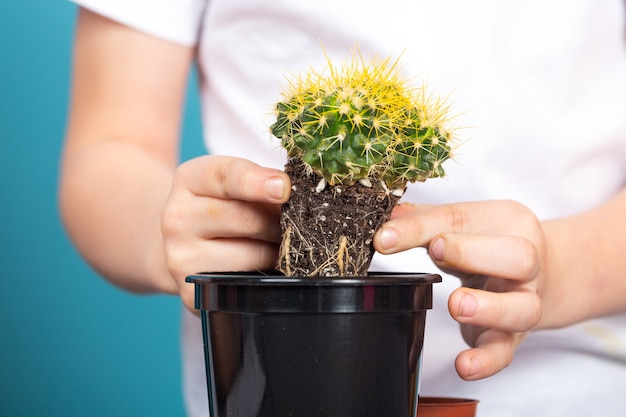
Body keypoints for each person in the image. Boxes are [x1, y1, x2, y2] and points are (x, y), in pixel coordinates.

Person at [59, 1, 626, 416]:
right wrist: (166, 235)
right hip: (274, 381)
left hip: (576, 383)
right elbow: (110, 146)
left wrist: (565, 266)